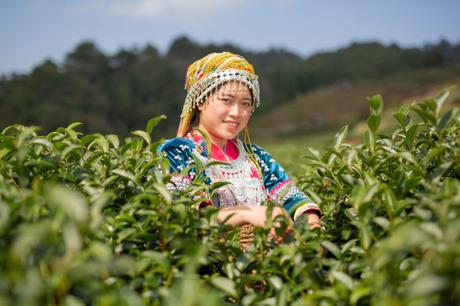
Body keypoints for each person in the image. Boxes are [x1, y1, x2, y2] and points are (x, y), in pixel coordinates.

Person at [158, 52, 321, 232]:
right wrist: (245, 213)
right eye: (226, 101)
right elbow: (178, 213)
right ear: (200, 102)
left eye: (245, 104)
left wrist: (312, 224)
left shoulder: (257, 157)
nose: (236, 112)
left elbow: (292, 198)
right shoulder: (177, 152)